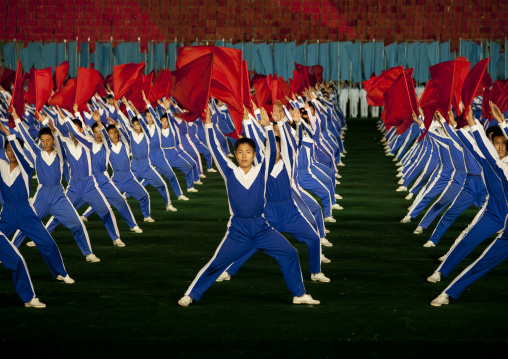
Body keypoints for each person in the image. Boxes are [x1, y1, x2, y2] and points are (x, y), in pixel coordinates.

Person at [178, 107, 320, 307]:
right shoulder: (229, 172)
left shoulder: (262, 171)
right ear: (235, 154)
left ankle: (299, 294)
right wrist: (208, 125)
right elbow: (216, 151)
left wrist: (268, 128)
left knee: (290, 253)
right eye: (240, 152)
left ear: (255, 154)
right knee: (216, 264)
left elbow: (272, 151)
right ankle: (190, 295)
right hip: (238, 230)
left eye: (248, 152)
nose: (244, 156)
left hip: (262, 227)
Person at [10, 111, 101, 262]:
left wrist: (54, 131)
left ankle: (88, 253)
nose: (45, 143)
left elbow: (59, 142)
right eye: (43, 140)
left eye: (48, 140)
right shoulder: (36, 153)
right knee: (25, 223)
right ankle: (9, 251)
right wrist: (16, 119)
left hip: (59, 196)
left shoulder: (60, 154)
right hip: (42, 196)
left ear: (53, 140)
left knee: (77, 224)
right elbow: (26, 137)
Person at [0, 110, 74, 284]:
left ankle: (60, 272)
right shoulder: (2, 166)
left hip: (26, 212)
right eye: (8, 150)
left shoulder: (26, 166)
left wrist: (9, 133)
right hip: (7, 213)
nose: (11, 153)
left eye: (14, 150)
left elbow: (22, 142)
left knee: (48, 243)